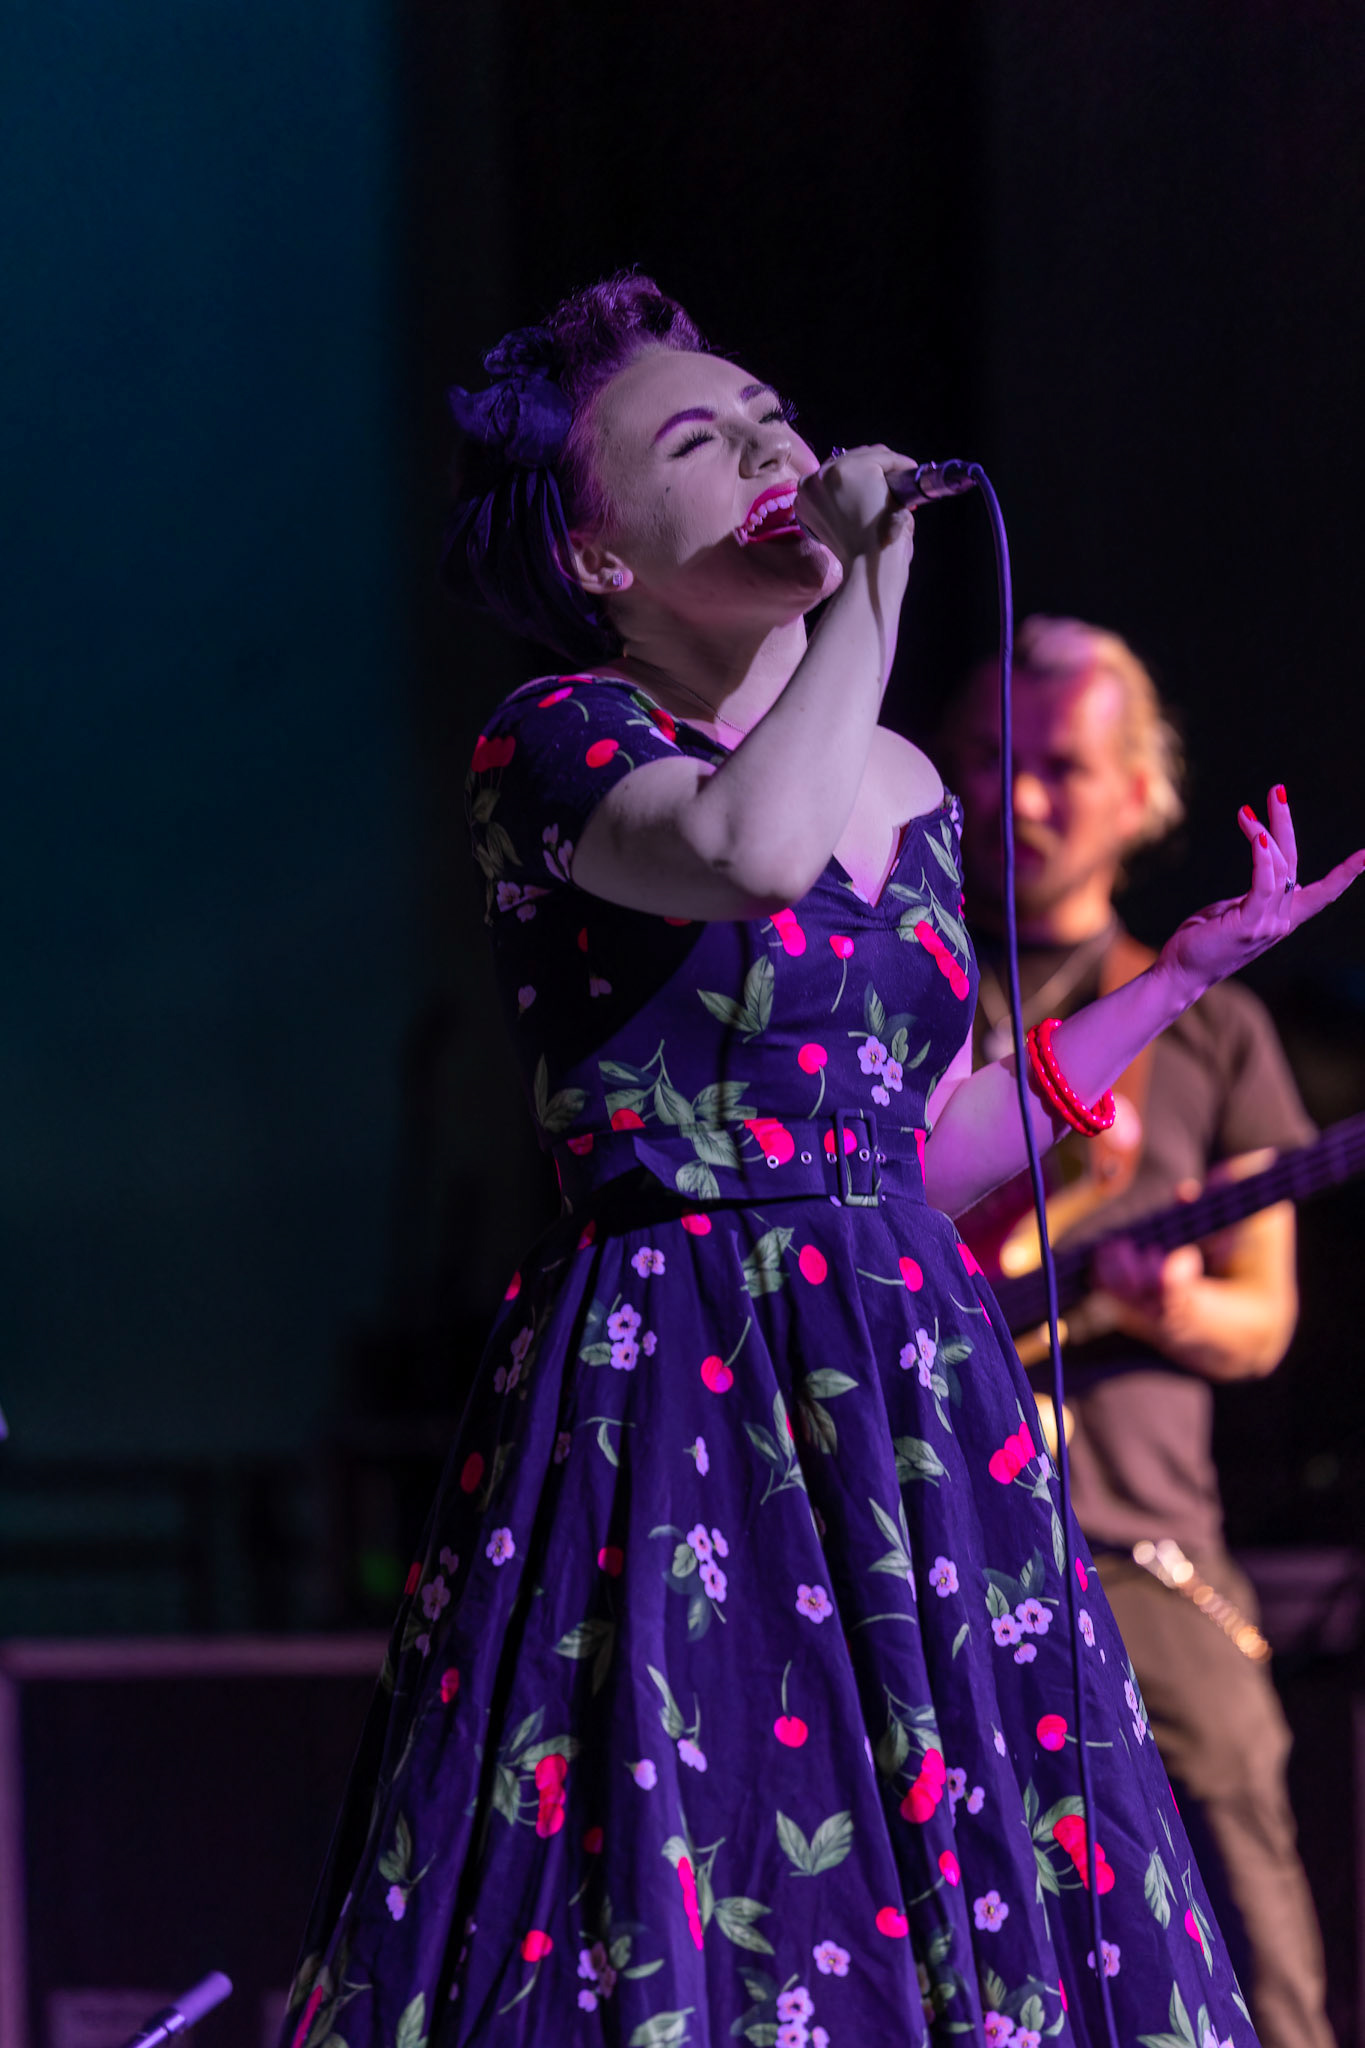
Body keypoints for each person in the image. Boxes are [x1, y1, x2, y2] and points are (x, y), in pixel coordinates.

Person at [281, 275, 1362, 2048]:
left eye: (768, 410)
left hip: (905, 1364)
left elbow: (924, 1150)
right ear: (604, 555)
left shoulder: (905, 793)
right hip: (679, 1360)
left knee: (957, 1856)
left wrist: (1177, 978)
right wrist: (868, 578)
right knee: (685, 1832)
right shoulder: (557, 740)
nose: (773, 444)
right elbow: (744, 849)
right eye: (697, 441)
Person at [941, 617, 1337, 2048]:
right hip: (934, 1531)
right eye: (990, 760)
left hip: (1140, 1544)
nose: (1021, 798)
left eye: (1059, 765)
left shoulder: (1210, 1028)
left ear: (1136, 793)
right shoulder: (905, 994)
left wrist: (1168, 1301)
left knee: (1246, 1919)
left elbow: (1260, 1320)